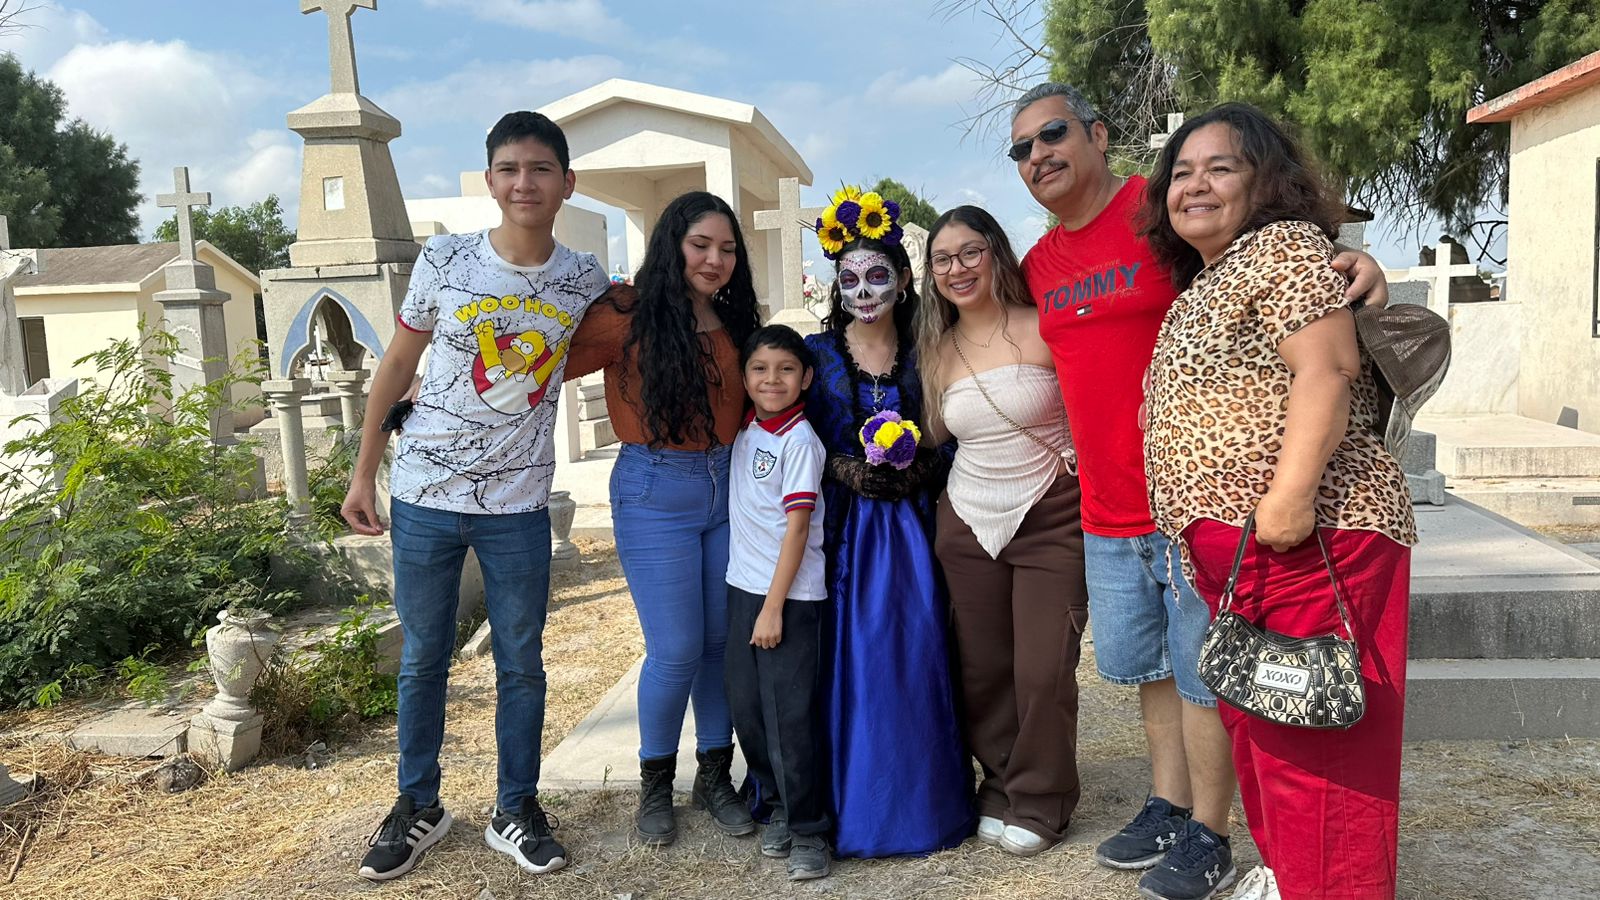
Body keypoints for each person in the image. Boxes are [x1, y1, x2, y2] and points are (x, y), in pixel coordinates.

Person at [1009, 82, 1391, 900]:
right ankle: (1170, 804)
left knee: (1209, 676)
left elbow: (1301, 297)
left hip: (1214, 516)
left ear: (1097, 135)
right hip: (1112, 506)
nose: (1037, 155)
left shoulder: (1159, 221)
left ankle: (1212, 832)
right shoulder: (1043, 264)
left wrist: (1356, 265)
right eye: (1022, 148)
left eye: (1052, 134)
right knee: (1153, 672)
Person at [1139, 102, 1416, 900]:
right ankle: (1296, 879)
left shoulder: (1284, 249)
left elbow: (1327, 369)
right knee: (1267, 736)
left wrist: (1289, 499)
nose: (1194, 185)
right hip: (1248, 561)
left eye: (1219, 168)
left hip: (1310, 540)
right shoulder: (1217, 273)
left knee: (1317, 759)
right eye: (1181, 173)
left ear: (1267, 180)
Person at [340, 111, 611, 880]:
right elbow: (398, 365)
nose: (525, 182)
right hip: (425, 493)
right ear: (490, 181)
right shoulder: (447, 258)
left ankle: (515, 808)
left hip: (518, 507)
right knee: (424, 659)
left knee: (521, 663)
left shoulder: (584, 278)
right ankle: (418, 805)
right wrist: (363, 473)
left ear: (567, 182)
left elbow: (631, 332)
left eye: (541, 168)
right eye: (510, 169)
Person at [564, 191, 760, 846]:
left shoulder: (732, 316)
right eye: (700, 244)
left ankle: (715, 777)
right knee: (675, 649)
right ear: (673, 243)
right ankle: (656, 782)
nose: (714, 259)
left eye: (726, 248)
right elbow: (542, 362)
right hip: (655, 491)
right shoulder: (627, 312)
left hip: (726, 489)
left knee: (718, 645)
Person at [802, 187, 975, 858]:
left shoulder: (931, 350)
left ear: (904, 280)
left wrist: (922, 468)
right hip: (840, 534)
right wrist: (841, 467)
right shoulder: (816, 355)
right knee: (846, 659)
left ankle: (921, 802)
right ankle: (846, 804)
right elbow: (794, 435)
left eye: (877, 276)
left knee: (915, 651)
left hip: (915, 530)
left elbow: (958, 429)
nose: (863, 291)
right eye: (849, 280)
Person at [915, 206, 1088, 856]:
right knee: (983, 668)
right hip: (966, 521)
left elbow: (1090, 405)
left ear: (995, 253)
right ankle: (1000, 785)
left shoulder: (1044, 325)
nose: (957, 268)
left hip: (1052, 514)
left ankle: (1043, 799)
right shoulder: (936, 352)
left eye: (970, 252)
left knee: (1043, 670)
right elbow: (932, 438)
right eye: (942, 259)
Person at [723, 324, 833, 881]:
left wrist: (773, 607)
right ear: (744, 377)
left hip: (789, 599)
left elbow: (797, 530)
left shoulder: (800, 442)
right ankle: (779, 807)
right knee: (748, 710)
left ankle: (810, 830)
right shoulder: (747, 429)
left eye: (786, 369)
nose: (772, 380)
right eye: (760, 369)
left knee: (789, 718)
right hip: (742, 589)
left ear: (806, 378)